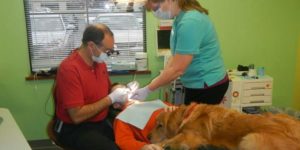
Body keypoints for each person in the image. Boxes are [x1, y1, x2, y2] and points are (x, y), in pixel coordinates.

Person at [131, 0, 229, 105]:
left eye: (155, 8)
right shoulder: (180, 18)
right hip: (195, 83)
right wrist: (164, 76)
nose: (155, 13)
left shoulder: (190, 21)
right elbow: (176, 55)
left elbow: (178, 69)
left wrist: (148, 89)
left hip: (207, 84)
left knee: (195, 121)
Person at [52, 24, 129, 150]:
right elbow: (77, 116)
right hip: (74, 128)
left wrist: (118, 91)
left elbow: (106, 91)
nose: (108, 55)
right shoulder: (69, 69)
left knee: (127, 141)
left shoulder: (99, 63)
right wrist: (111, 99)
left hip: (99, 121)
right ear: (91, 46)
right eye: (106, 51)